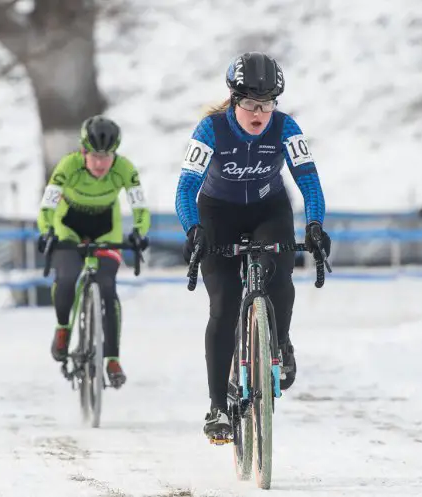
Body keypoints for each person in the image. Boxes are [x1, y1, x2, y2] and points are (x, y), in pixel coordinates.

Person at [174, 52, 330, 440]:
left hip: (267, 209)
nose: (259, 113)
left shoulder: (285, 126)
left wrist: (313, 225)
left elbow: (308, 180)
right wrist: (194, 229)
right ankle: (216, 408)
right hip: (217, 214)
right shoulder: (210, 130)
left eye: (267, 103)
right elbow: (186, 188)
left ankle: (280, 341)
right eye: (249, 104)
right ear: (233, 101)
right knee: (224, 305)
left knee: (279, 275)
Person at [37, 116, 150, 388]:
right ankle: (63, 329)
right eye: (95, 156)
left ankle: (112, 358)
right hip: (69, 228)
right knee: (66, 279)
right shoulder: (68, 166)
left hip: (106, 230)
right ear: (83, 152)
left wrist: (138, 231)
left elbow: (140, 207)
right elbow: (47, 206)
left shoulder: (124, 168)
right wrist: (47, 231)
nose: (101, 163)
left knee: (108, 288)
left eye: (107, 156)